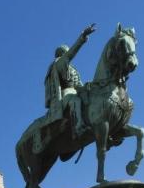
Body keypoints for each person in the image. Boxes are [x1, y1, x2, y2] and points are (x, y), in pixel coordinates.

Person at [34, 23, 97, 154]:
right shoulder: (58, 63)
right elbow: (72, 54)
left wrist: (88, 86)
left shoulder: (72, 69)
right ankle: (79, 127)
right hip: (64, 94)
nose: (68, 55)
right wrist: (82, 38)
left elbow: (78, 84)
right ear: (62, 54)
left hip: (75, 91)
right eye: (66, 53)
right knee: (75, 100)